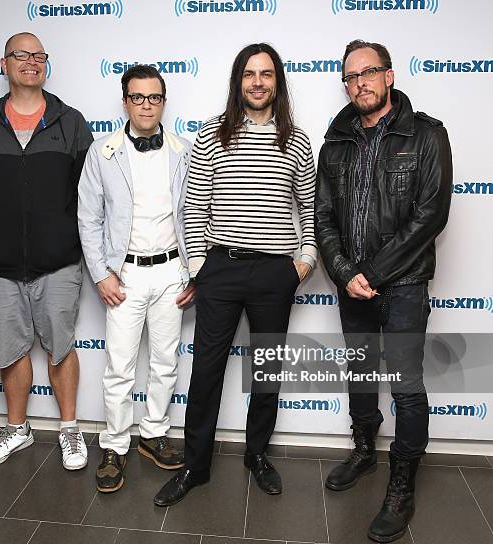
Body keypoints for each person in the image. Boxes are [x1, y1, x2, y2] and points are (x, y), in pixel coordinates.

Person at [154, 43, 317, 506]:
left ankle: (257, 455)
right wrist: (201, 268)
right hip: (221, 268)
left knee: (266, 372)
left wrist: (303, 263)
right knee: (206, 371)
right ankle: (195, 466)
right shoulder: (212, 135)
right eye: (250, 74)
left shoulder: (297, 140)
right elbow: (194, 206)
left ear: (277, 82)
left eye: (266, 74)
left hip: (274, 273)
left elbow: (309, 208)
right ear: (238, 81)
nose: (258, 82)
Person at [315, 39, 452, 542]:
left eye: (368, 73)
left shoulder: (426, 136)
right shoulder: (336, 140)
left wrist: (372, 273)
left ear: (389, 76)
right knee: (360, 372)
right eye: (350, 78)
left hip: (405, 286)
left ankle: (401, 480)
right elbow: (323, 216)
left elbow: (429, 216)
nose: (359, 84)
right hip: (351, 282)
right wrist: (344, 270)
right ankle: (365, 450)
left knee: (407, 385)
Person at [0, 32, 93, 471]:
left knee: (61, 348)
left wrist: (71, 242)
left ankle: (68, 428)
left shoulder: (70, 121)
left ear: (45, 64)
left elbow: (89, 195)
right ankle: (18, 429)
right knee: (10, 351)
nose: (30, 62)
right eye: (21, 54)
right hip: (1, 267)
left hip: (59, 263)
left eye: (38, 55)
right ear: (4, 63)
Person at [78, 65, 194, 493]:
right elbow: (88, 218)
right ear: (125, 101)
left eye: (155, 97)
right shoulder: (102, 152)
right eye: (138, 97)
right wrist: (100, 275)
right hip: (122, 276)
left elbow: (198, 212)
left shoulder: (185, 150)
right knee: (119, 368)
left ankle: (154, 434)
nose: (147, 105)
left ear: (163, 101)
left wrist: (192, 271)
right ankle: (114, 444)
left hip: (171, 273)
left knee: (166, 362)